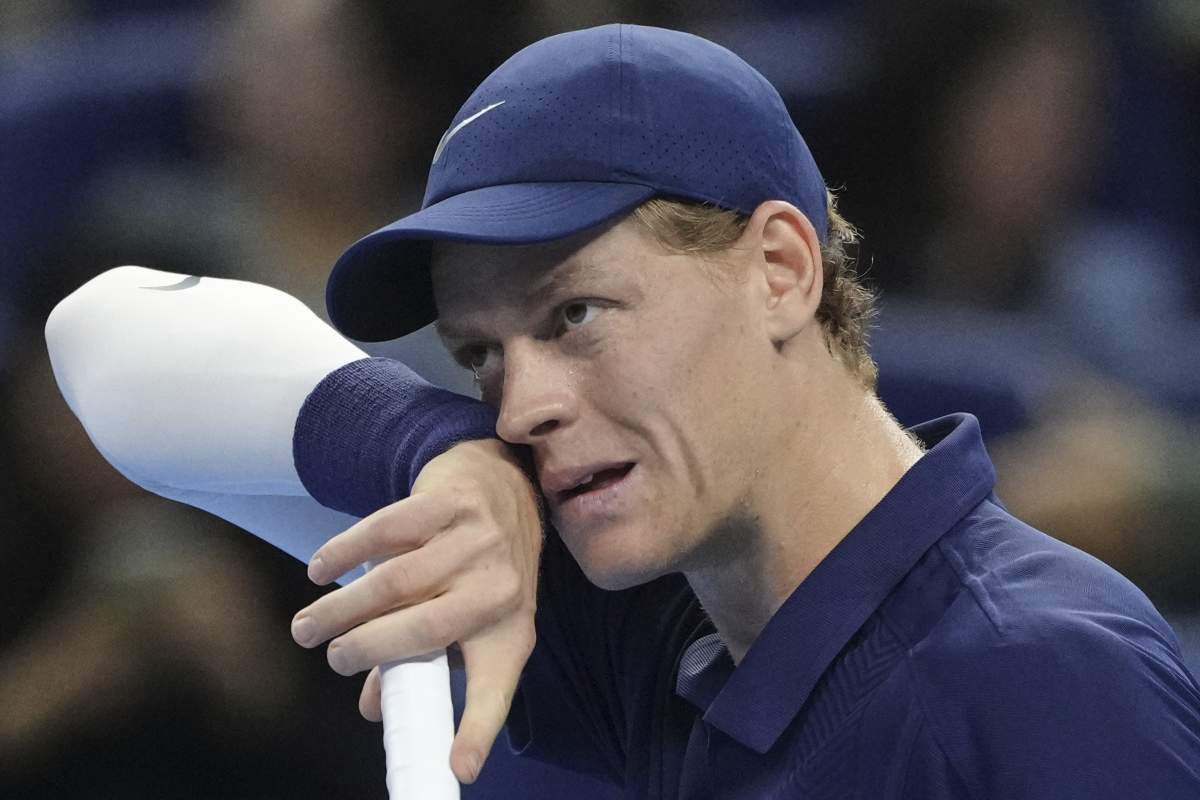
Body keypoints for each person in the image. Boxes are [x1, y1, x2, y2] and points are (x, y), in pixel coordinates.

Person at [48, 24, 1200, 798]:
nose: (522, 404)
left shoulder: (1042, 680)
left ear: (783, 270)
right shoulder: (662, 615)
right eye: (479, 354)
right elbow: (101, 334)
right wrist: (430, 447)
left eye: (576, 315)